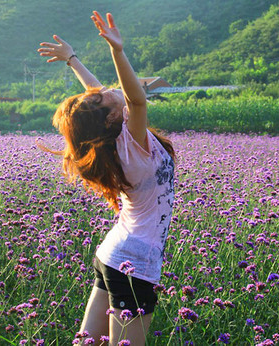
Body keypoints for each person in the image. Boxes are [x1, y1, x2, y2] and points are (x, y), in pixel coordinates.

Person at [37, 11, 175, 345]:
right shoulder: (132, 144)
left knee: (87, 342)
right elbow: (136, 99)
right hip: (134, 265)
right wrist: (117, 51)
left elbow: (98, 92)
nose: (103, 88)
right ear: (112, 115)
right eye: (101, 96)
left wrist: (71, 59)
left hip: (113, 256)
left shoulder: (115, 142)